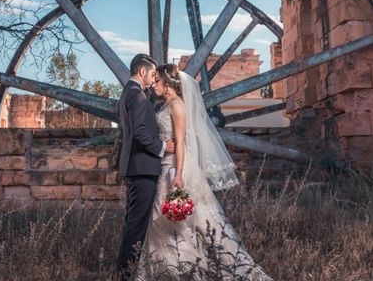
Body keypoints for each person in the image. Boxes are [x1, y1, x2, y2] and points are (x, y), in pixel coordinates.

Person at [136, 64, 273, 280]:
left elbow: (181, 142)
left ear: (168, 83)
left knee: (181, 221)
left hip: (175, 167)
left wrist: (179, 174)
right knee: (162, 222)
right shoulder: (164, 105)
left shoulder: (177, 107)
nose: (154, 84)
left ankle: (186, 269)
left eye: (158, 80)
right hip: (166, 167)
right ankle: (168, 270)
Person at [116, 54, 176, 280]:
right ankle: (126, 275)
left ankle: (124, 272)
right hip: (142, 168)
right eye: (152, 75)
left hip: (134, 167)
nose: (153, 80)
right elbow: (140, 133)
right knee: (136, 226)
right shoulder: (138, 96)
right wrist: (164, 147)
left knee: (133, 223)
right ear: (142, 72)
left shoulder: (128, 93)